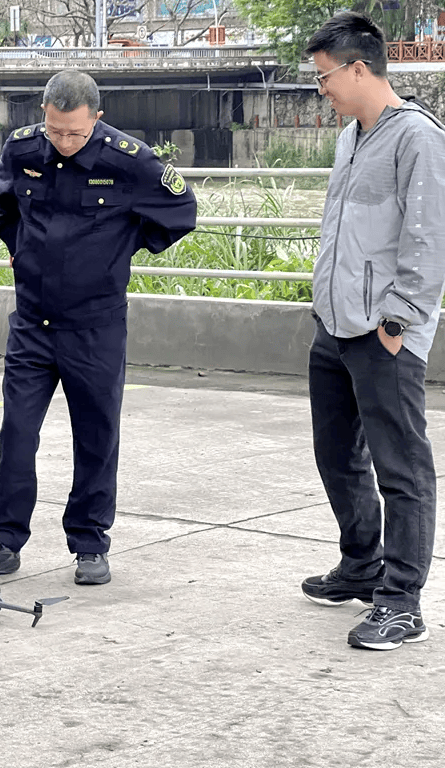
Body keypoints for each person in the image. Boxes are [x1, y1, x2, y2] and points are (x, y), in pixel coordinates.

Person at [0, 69, 197, 586]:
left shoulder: (129, 162)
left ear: (97, 119)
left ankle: (89, 542)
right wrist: (18, 250)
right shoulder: (24, 150)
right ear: (43, 117)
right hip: (32, 323)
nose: (64, 142)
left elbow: (181, 212)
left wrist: (119, 252)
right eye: (55, 130)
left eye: (75, 132)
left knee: (95, 435)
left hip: (95, 326)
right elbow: (1, 208)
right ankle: (2, 539)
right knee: (18, 432)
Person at [299, 12, 445, 651]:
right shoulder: (350, 137)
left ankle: (402, 602)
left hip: (384, 331)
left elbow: (428, 239)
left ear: (359, 69)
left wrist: (398, 323)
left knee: (401, 466)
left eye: (326, 76)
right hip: (335, 325)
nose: (321, 89)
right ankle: (361, 563)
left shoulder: (417, 137)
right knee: (336, 453)